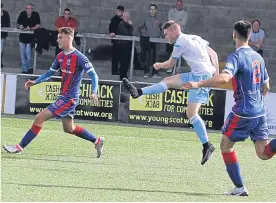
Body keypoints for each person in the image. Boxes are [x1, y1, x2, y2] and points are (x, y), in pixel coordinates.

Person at [182, 20, 276, 196]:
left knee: (225, 146)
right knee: (263, 153)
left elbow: (225, 78)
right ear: (250, 36)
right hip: (260, 111)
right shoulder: (258, 57)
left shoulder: (236, 57)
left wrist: (199, 83)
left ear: (234, 35)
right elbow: (266, 87)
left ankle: (240, 188)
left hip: (243, 111)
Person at [123, 21, 219, 165]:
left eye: (166, 35)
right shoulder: (194, 37)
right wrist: (216, 73)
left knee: (191, 114)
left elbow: (169, 65)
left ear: (173, 32)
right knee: (168, 81)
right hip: (200, 74)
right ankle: (138, 92)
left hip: (201, 77)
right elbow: (214, 54)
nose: (166, 38)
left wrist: (158, 65)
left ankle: (207, 145)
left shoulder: (180, 42)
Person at [3, 27, 105, 158]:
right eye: (58, 37)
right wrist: (36, 82)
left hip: (69, 99)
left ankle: (19, 147)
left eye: (60, 37)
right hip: (64, 97)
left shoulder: (80, 57)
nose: (57, 40)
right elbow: (49, 73)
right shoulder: (60, 56)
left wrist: (94, 91)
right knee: (69, 129)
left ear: (69, 38)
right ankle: (97, 141)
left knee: (39, 118)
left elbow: (94, 75)